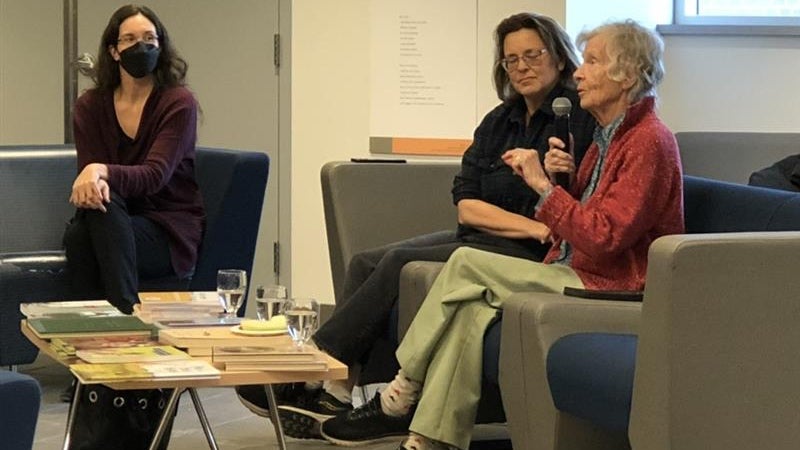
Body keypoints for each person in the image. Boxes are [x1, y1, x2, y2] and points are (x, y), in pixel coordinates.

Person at [319, 19, 685, 449]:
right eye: (512, 59)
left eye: (591, 62)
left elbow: (604, 237)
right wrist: (560, 182)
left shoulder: (648, 141)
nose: (580, 73)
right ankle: (427, 440)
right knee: (469, 310)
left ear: (626, 75)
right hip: (579, 268)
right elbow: (570, 218)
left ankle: (401, 389)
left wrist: (543, 187)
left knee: (463, 263)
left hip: (611, 285)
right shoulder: (609, 135)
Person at [234, 12, 596, 439]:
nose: (522, 67)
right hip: (481, 234)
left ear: (558, 57)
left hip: (528, 253)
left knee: (401, 263)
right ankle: (334, 392)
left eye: (532, 55)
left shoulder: (577, 121)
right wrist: (526, 222)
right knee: (367, 261)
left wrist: (537, 222)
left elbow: (562, 216)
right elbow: (466, 204)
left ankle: (311, 369)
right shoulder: (499, 121)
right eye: (511, 60)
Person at [63, 4, 204, 316]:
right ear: (114, 51)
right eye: (129, 39)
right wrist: (95, 178)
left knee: (84, 231)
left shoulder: (178, 103)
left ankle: (114, 317)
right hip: (111, 218)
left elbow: (154, 176)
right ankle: (113, 320)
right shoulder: (90, 106)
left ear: (161, 45)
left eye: (149, 38)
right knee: (86, 227)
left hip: (166, 228)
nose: (142, 46)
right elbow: (93, 189)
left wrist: (99, 170)